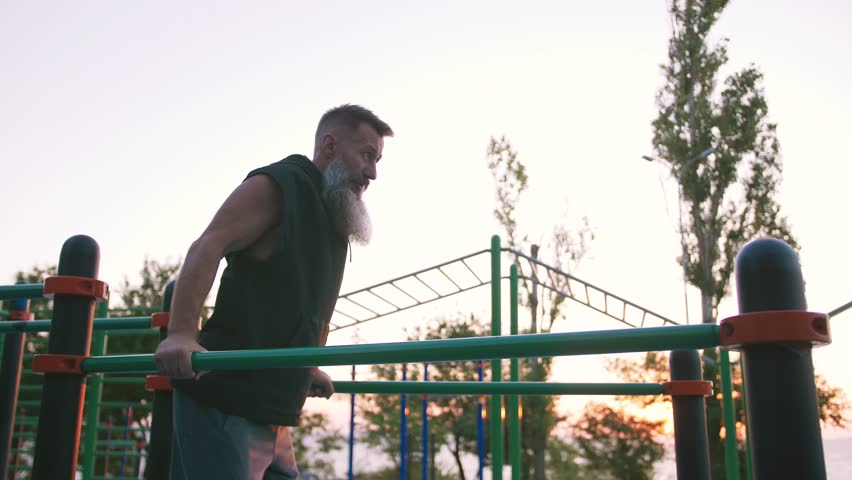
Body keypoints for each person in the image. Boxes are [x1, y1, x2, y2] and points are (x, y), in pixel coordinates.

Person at [154, 104, 393, 479]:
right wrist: (182, 333)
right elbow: (208, 245)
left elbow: (304, 302)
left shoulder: (330, 212)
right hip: (228, 399)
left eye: (377, 160)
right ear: (329, 145)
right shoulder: (282, 185)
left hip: (274, 407)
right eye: (366, 155)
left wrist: (307, 365)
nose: (373, 172)